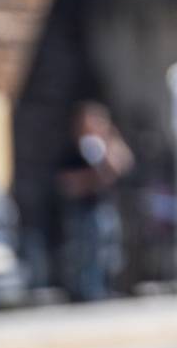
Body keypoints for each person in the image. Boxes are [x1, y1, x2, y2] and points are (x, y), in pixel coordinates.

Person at [56, 100, 134, 301]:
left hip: (105, 207)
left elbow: (123, 165)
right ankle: (87, 292)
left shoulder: (103, 146)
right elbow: (69, 183)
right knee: (84, 252)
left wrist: (110, 137)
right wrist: (95, 179)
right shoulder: (73, 150)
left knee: (109, 252)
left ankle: (105, 288)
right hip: (82, 209)